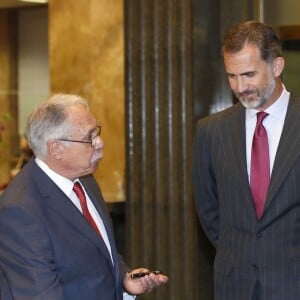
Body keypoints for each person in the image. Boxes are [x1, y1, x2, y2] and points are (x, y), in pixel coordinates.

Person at [0, 94, 168, 300]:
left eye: (97, 131)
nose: (100, 142)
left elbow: (98, 252)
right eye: (89, 137)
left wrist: (124, 279)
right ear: (56, 149)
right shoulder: (20, 210)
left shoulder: (84, 179)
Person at [192, 20, 300, 300]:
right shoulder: (211, 131)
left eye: (249, 74)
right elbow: (209, 211)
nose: (241, 87)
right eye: (232, 76)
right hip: (235, 286)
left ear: (276, 66)